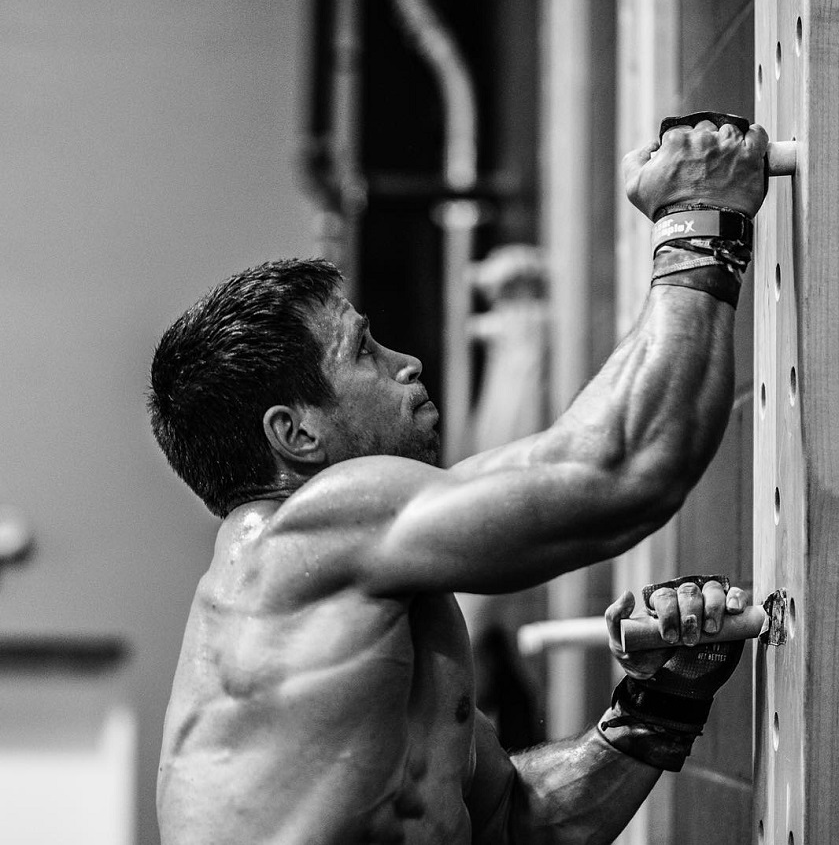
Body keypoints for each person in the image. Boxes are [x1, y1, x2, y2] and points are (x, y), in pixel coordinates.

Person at [149, 118, 768, 844]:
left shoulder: (359, 610)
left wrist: (659, 703)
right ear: (296, 434)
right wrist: (698, 220)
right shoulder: (306, 536)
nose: (405, 361)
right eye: (364, 353)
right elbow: (621, 471)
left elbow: (510, 825)